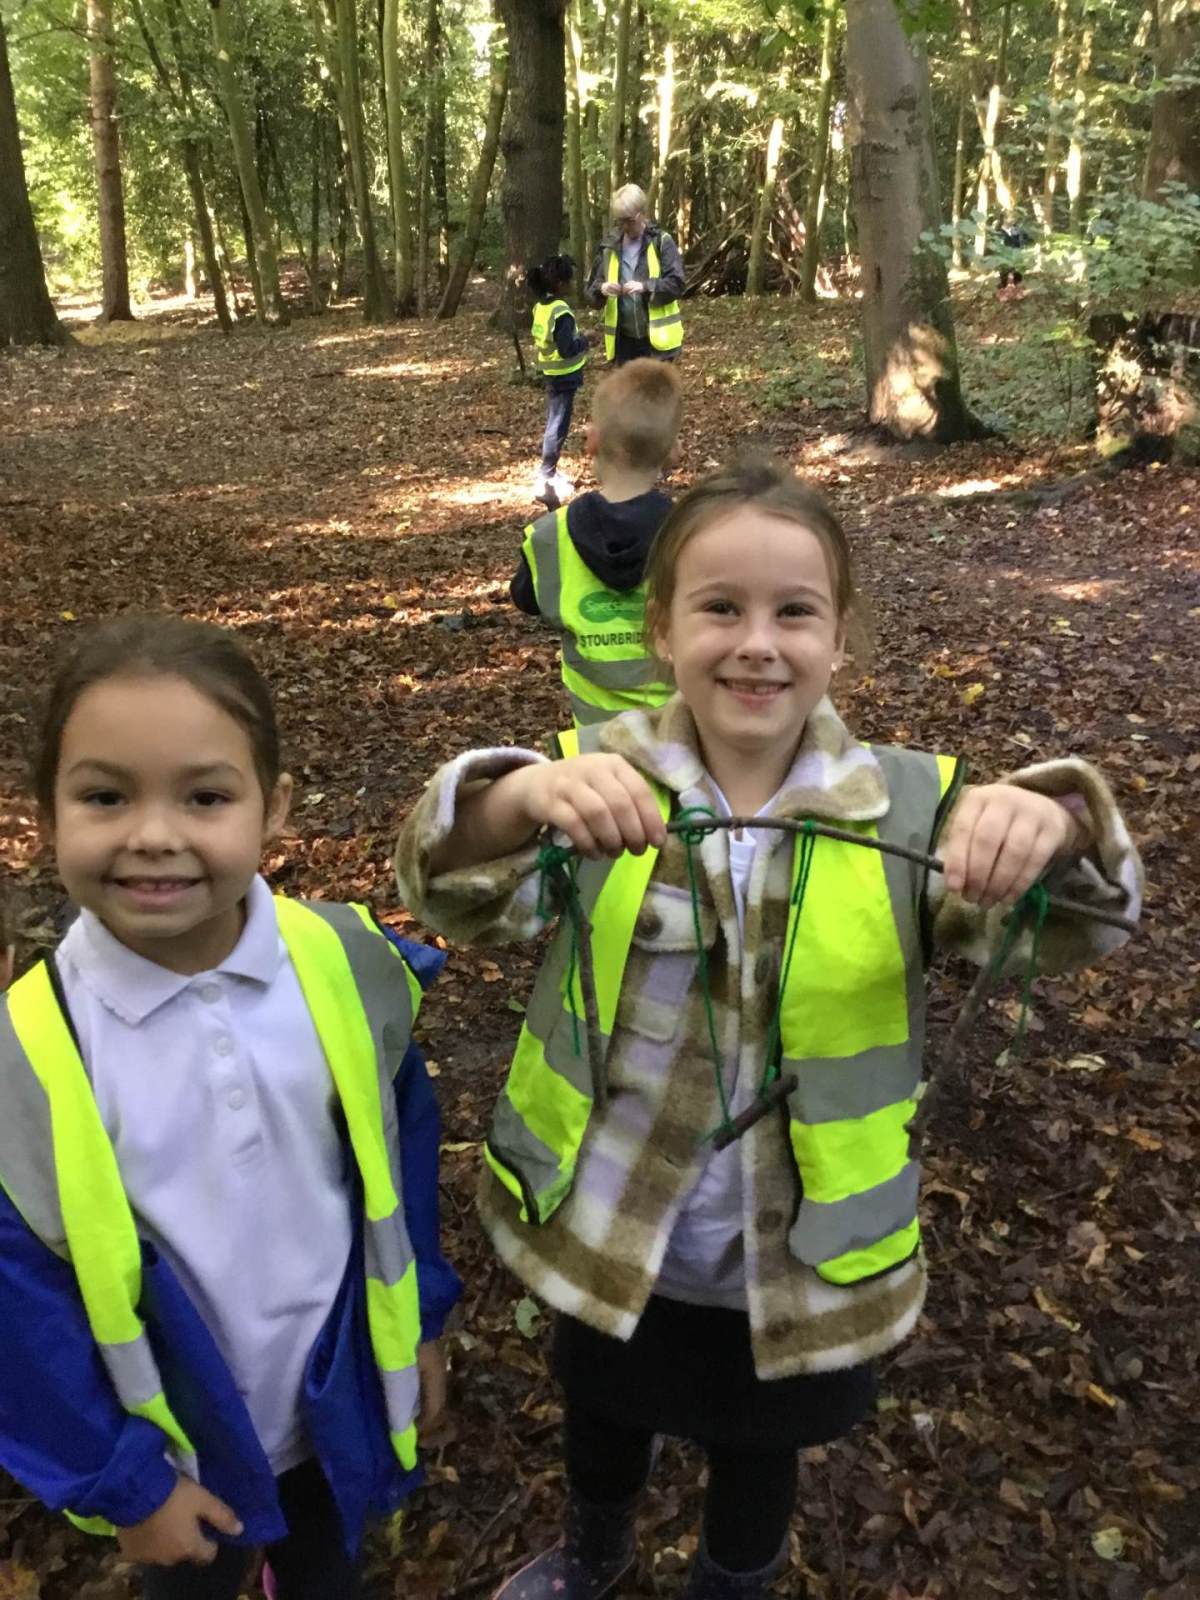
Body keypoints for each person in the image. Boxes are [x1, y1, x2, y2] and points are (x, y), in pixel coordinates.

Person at [394, 457, 1142, 1600]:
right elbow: (451, 888)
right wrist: (514, 796)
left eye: (794, 611)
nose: (757, 643)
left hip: (801, 1253)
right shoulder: (593, 784)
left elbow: (1069, 924)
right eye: (720, 608)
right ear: (663, 629)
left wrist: (1057, 819)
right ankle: (597, 1548)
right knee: (602, 1409)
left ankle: (733, 1580)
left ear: (840, 636)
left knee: (759, 1450)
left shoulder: (913, 809)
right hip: (614, 1225)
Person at [0, 616, 461, 1600]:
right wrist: (127, 1485)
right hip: (179, 1455)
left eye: (204, 796)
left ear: (273, 807)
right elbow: (18, 1303)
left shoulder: (341, 964)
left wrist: (419, 1320)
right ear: (47, 815)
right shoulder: (29, 1057)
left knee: (330, 1570)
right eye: (105, 796)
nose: (154, 834)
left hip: (336, 1401)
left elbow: (400, 1156)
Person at [511, 358, 682, 728]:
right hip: (677, 735)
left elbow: (525, 598)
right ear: (673, 452)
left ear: (592, 441)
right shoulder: (692, 534)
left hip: (594, 740)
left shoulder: (550, 537)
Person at [586, 184, 685, 367]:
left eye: (629, 220)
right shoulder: (609, 247)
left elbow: (677, 284)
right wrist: (602, 288)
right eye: (620, 221)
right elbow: (591, 292)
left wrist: (645, 286)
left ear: (642, 215)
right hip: (624, 343)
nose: (625, 226)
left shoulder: (661, 242)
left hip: (657, 344)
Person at [528, 254, 591, 506]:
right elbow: (567, 349)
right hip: (564, 375)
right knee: (558, 426)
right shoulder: (561, 311)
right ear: (560, 284)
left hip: (551, 374)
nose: (572, 285)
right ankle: (546, 475)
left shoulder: (540, 307)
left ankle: (549, 472)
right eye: (570, 281)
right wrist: (586, 340)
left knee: (555, 422)